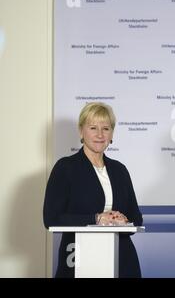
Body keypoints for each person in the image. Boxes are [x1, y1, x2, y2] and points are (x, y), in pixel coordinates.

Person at [43, 102, 143, 278]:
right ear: (81, 131)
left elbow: (136, 218)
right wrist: (97, 219)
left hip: (122, 259)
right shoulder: (65, 168)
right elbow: (51, 218)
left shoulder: (120, 170)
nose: (99, 134)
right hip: (79, 258)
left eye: (105, 128)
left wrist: (121, 220)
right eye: (93, 127)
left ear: (112, 134)